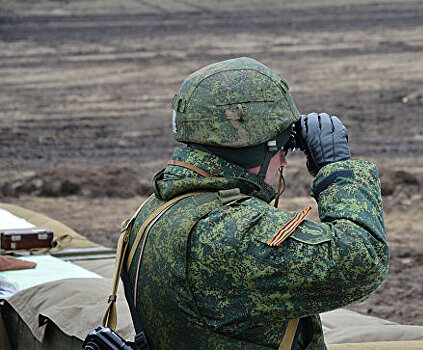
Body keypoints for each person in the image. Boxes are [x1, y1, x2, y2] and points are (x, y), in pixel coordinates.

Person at [123, 57, 389, 349]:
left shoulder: (159, 207)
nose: (285, 160)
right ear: (253, 151)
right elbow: (363, 260)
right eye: (281, 148)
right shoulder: (231, 233)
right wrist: (337, 170)